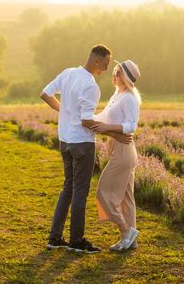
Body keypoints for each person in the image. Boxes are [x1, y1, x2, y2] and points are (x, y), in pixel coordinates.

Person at [40, 44, 133, 254]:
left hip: (65, 141)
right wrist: (114, 133)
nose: (107, 69)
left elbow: (45, 94)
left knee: (68, 188)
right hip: (82, 143)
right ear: (97, 61)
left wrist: (64, 111)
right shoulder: (91, 86)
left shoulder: (68, 73)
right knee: (80, 193)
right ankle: (77, 241)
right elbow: (85, 121)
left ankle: (54, 238)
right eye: (107, 64)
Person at [91, 60, 142, 252]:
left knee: (104, 193)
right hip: (116, 147)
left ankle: (126, 232)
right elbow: (102, 117)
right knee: (126, 198)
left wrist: (107, 128)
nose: (114, 75)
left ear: (126, 79)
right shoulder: (117, 95)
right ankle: (130, 240)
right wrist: (85, 116)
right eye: (114, 71)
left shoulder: (129, 98)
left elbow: (131, 127)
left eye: (118, 73)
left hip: (123, 149)